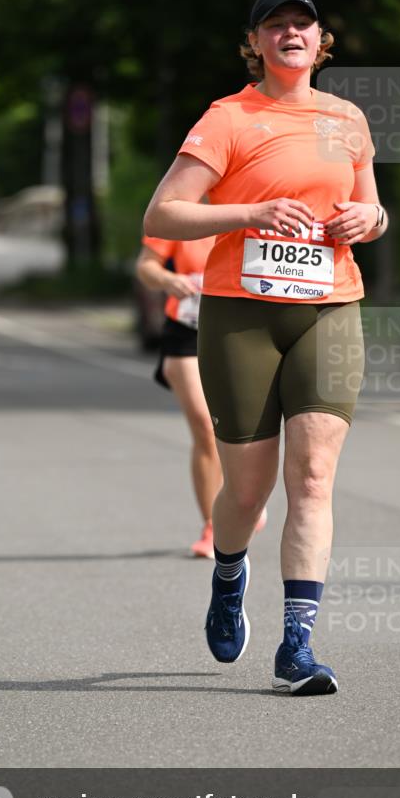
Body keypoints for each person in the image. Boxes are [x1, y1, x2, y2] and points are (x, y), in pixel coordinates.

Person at [144, 0, 387, 695]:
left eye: (301, 25)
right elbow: (163, 212)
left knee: (311, 478)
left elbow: (372, 208)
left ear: (320, 43)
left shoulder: (346, 119)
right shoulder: (227, 119)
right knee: (245, 492)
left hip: (330, 307)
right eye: (274, 26)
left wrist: (367, 223)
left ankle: (297, 646)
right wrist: (249, 211)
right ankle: (228, 574)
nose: (289, 34)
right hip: (239, 315)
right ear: (253, 44)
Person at [135, 233, 267, 558]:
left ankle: (241, 499)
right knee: (206, 426)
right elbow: (146, 266)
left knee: (243, 428)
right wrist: (170, 279)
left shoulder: (251, 207)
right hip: (187, 328)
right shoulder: (182, 211)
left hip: (241, 329)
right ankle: (214, 525)